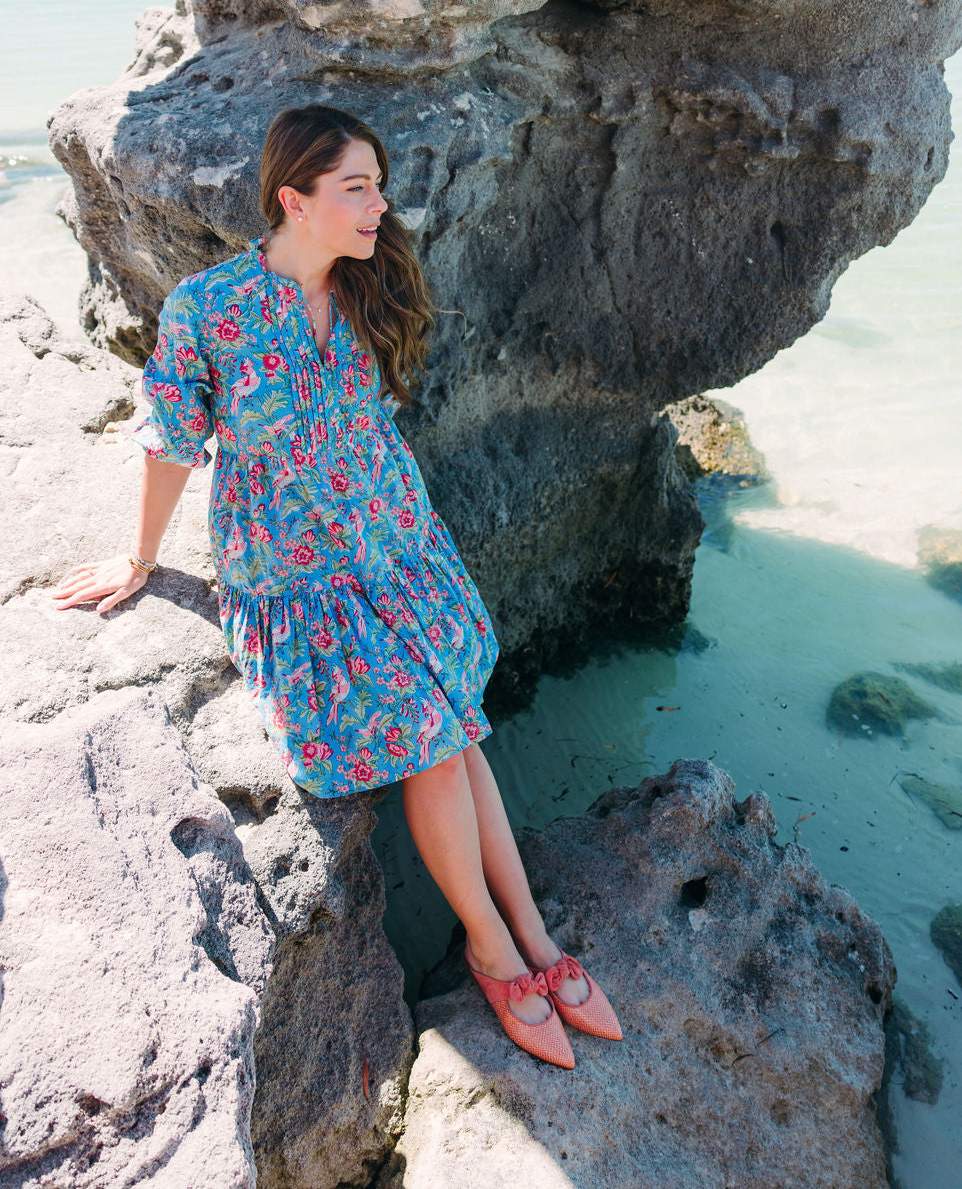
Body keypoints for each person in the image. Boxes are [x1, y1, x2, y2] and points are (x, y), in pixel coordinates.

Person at [51, 103, 620, 1068]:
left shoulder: (366, 283)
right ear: (294, 198)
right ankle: (496, 949)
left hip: (396, 548)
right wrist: (140, 561)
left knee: (457, 725)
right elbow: (171, 442)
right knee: (438, 739)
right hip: (298, 577)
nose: (378, 205)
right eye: (356, 187)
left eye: (378, 185)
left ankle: (534, 934)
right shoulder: (208, 307)